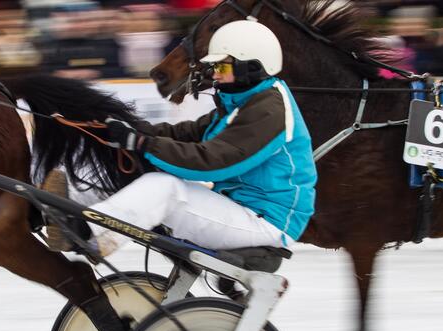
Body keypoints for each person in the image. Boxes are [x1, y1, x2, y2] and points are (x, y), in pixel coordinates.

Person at [46, 20, 316, 256]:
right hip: (239, 205)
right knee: (141, 178)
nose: (213, 75)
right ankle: (64, 206)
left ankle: (89, 233)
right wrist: (134, 129)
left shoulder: (268, 110)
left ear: (252, 66)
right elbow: (187, 133)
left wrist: (141, 143)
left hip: (266, 222)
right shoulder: (244, 102)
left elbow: (214, 160)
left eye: (221, 68)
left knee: (164, 189)